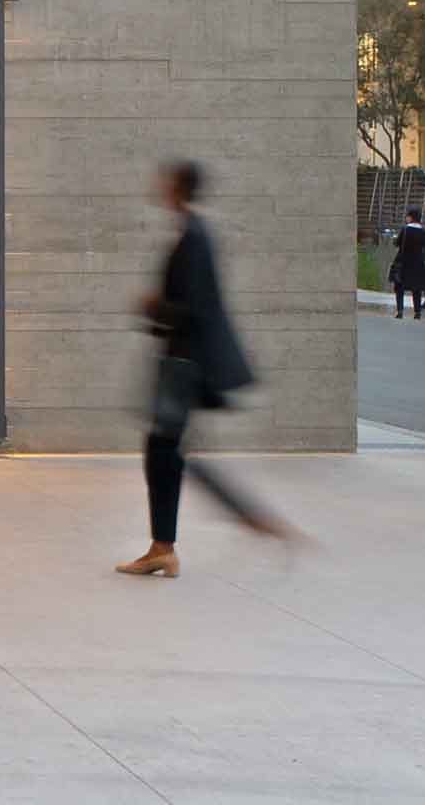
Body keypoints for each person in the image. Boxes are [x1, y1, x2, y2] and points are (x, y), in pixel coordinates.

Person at [114, 162, 295, 580]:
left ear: (178, 188)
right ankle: (166, 546)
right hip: (183, 360)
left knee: (165, 452)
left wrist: (151, 307)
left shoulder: (194, 238)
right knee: (167, 452)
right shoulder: (191, 233)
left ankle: (215, 531)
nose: (159, 186)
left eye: (166, 181)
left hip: (185, 363)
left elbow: (192, 306)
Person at [388, 206, 425, 320]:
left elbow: (397, 243)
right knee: (416, 289)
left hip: (404, 262)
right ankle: (417, 312)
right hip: (418, 264)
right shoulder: (424, 231)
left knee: (399, 287)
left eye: (407, 216)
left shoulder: (405, 230)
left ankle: (400, 311)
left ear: (410, 217)